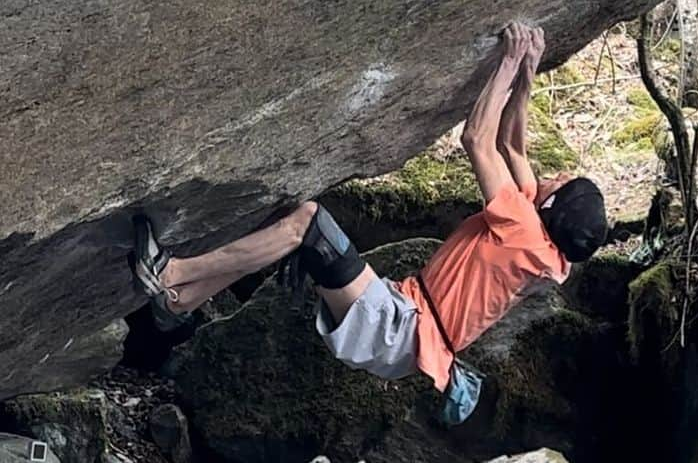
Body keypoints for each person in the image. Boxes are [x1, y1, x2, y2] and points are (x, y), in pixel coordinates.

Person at [131, 24, 607, 421]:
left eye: (562, 182)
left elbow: (479, 139)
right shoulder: (545, 249)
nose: (556, 175)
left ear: (552, 209)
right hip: (404, 332)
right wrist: (526, 73)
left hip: (401, 328)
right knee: (288, 233)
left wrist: (507, 60)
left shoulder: (523, 232)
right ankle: (185, 299)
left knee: (308, 224)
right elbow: (516, 149)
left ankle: (169, 273)